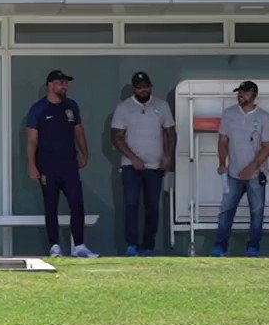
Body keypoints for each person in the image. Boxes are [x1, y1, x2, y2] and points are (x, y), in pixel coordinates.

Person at [26, 69, 98, 259]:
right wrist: (32, 165)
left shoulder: (71, 106)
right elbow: (32, 139)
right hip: (47, 165)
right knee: (51, 205)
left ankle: (79, 245)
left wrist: (85, 153)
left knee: (77, 202)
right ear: (51, 85)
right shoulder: (39, 109)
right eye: (61, 83)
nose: (65, 86)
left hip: (69, 164)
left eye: (66, 83)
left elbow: (79, 131)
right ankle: (54, 246)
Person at [110, 70, 177, 257]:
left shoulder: (161, 106)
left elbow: (171, 133)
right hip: (131, 166)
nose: (143, 90)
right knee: (131, 204)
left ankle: (148, 246)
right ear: (134, 89)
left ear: (150, 86)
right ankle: (131, 245)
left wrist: (168, 156)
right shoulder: (123, 108)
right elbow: (116, 137)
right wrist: (133, 158)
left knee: (152, 206)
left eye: (146, 87)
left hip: (155, 166)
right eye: (140, 88)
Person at [212, 80, 269, 257]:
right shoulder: (229, 114)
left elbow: (268, 146)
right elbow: (223, 141)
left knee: (257, 212)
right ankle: (220, 247)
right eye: (239, 92)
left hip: (256, 175)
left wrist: (252, 168)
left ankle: (253, 247)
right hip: (233, 173)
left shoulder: (264, 117)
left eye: (244, 92)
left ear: (253, 95)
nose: (240, 95)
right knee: (226, 210)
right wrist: (222, 164)